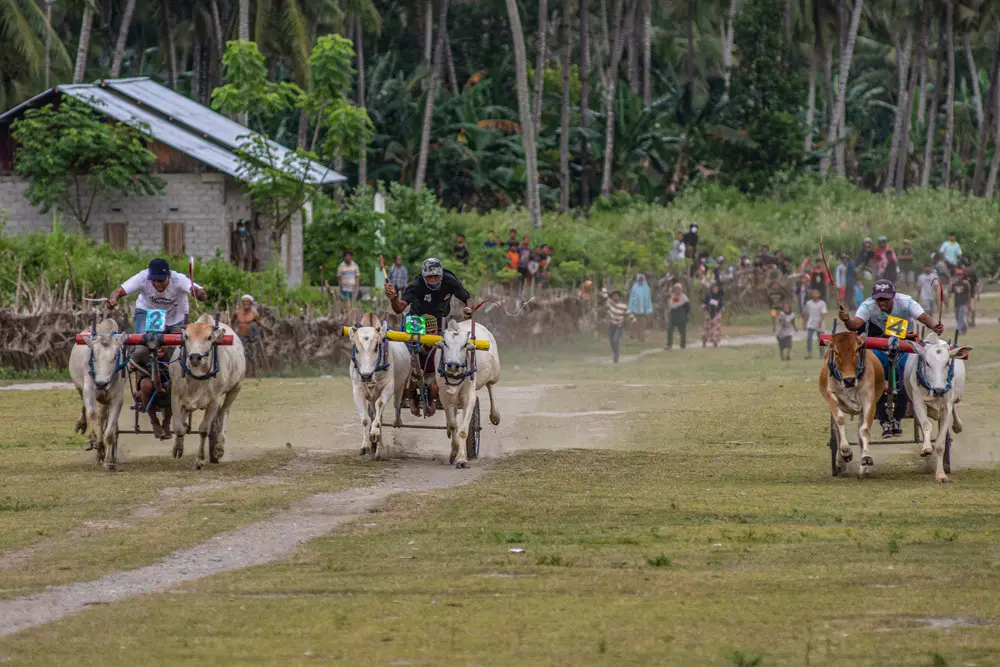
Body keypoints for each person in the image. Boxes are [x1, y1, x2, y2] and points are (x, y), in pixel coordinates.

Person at [107, 258, 208, 440]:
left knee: (178, 351)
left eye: (161, 280)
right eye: (155, 281)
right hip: (148, 313)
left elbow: (200, 292)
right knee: (141, 348)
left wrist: (198, 293)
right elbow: (120, 290)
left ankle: (180, 381)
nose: (158, 284)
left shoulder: (179, 280)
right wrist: (113, 298)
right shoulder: (143, 277)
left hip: (176, 317)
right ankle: (141, 381)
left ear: (168, 276)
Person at [838, 279, 944, 437]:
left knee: (906, 378)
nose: (882, 303)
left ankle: (897, 419)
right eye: (879, 299)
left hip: (905, 343)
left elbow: (922, 317)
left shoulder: (905, 302)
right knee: (876, 380)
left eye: (885, 299)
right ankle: (883, 420)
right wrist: (847, 319)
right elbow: (855, 325)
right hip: (878, 344)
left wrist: (934, 325)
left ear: (893, 297)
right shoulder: (868, 306)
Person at [384, 258, 474, 416]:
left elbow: (467, 298)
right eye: (429, 277)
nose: (432, 280)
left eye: (435, 276)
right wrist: (392, 299)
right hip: (417, 319)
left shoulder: (450, 280)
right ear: (423, 276)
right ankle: (411, 394)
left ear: (441, 274)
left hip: (439, 320)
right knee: (411, 356)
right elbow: (399, 309)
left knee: (441, 353)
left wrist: (468, 308)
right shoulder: (416, 285)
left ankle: (433, 393)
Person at [628, 274, 653, 342]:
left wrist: (649, 308)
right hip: (636, 308)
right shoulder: (635, 287)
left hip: (644, 309)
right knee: (634, 322)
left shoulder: (646, 287)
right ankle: (632, 336)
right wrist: (630, 308)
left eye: (642, 279)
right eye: (640, 279)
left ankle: (642, 338)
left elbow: (648, 298)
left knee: (642, 323)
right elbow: (632, 298)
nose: (641, 280)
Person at [803, 289, 827, 360]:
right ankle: (809, 353)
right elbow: (806, 314)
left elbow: (823, 313)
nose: (814, 295)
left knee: (821, 340)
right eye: (813, 293)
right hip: (811, 323)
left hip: (820, 323)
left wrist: (820, 322)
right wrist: (804, 323)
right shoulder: (808, 303)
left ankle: (822, 354)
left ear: (819, 294)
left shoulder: (822, 303)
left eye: (816, 293)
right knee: (809, 338)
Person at [665, 282, 690, 349]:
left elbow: (687, 307)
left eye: (679, 288)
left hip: (681, 315)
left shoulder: (684, 297)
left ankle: (683, 344)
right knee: (669, 329)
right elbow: (670, 305)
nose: (677, 290)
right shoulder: (672, 296)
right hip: (673, 315)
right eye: (676, 288)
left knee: (682, 331)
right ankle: (669, 344)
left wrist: (685, 315)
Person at [607, 290, 629, 363]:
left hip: (619, 326)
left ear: (619, 297)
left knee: (616, 340)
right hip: (611, 325)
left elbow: (627, 315)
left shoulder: (623, 306)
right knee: (611, 341)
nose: (615, 297)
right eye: (614, 296)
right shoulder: (610, 305)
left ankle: (616, 354)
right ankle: (615, 352)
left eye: (617, 296)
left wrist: (624, 321)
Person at [951, 269, 971, 336]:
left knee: (960, 317)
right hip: (957, 302)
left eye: (960, 275)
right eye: (957, 275)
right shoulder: (954, 284)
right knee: (957, 317)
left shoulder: (965, 283)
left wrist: (968, 303)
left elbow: (968, 293)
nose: (958, 276)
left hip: (963, 302)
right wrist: (951, 283)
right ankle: (964, 327)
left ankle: (958, 331)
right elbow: (951, 291)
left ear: (962, 275)